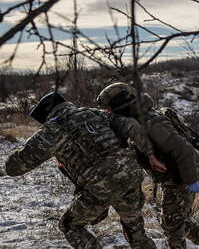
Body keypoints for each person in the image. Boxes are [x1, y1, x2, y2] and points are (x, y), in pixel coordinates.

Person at [3, 92, 156, 249]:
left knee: (70, 226)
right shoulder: (96, 113)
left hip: (100, 187)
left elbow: (14, 167)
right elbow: (130, 125)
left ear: (47, 115)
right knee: (136, 234)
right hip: (131, 177)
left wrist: (26, 147)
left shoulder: (52, 129)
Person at [98, 82, 199, 249]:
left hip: (182, 174)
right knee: (179, 220)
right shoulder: (136, 121)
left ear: (120, 106)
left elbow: (183, 150)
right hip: (174, 175)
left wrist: (191, 181)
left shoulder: (151, 123)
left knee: (172, 226)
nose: (108, 113)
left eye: (110, 109)